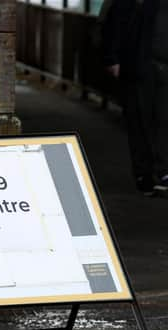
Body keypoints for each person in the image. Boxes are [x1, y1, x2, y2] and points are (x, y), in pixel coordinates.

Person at [102, 0, 168, 196]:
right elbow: (113, 23)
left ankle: (160, 172)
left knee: (160, 120)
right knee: (140, 120)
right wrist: (111, 57)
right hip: (140, 66)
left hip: (159, 66)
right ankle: (146, 174)